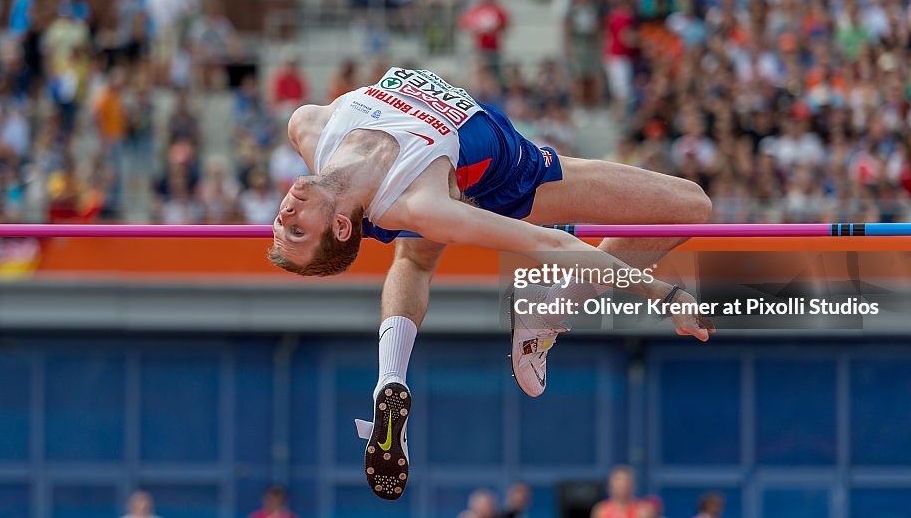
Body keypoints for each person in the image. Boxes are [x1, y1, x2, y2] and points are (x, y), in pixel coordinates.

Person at [266, 67, 713, 500]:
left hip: (442, 175)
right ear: (342, 229)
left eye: (281, 224)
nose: (284, 215)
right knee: (690, 205)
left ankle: (389, 379)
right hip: (509, 181)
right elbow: (550, 244)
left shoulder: (308, 127)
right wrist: (664, 293)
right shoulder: (423, 207)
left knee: (415, 257)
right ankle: (548, 313)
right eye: (298, 230)